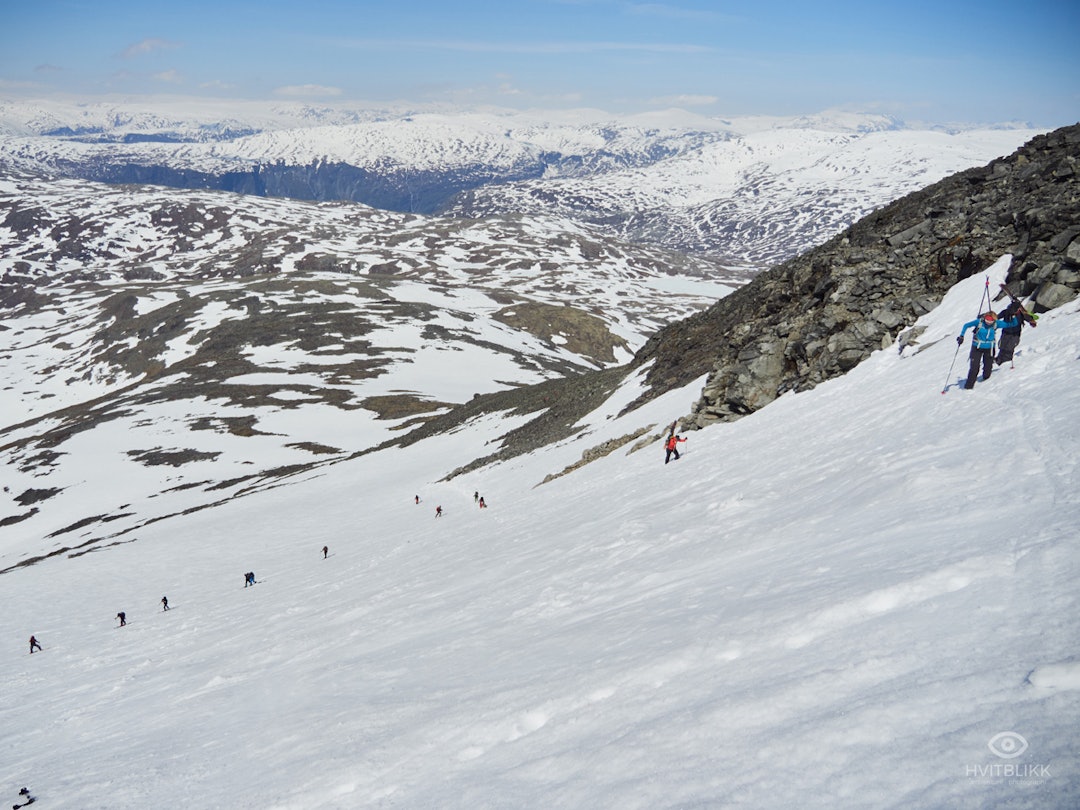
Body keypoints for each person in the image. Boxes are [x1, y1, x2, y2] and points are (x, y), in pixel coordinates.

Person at [957, 310, 1018, 389]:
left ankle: (986, 382)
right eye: (987, 319)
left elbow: (1013, 324)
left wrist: (1013, 315)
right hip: (977, 347)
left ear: (994, 320)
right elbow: (966, 325)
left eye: (991, 320)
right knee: (974, 368)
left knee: (988, 368)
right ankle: (968, 387)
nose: (989, 322)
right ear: (984, 318)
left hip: (989, 348)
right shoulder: (979, 322)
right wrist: (961, 336)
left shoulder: (997, 324)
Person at [995, 300, 1036, 366]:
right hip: (1006, 332)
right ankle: (999, 360)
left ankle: (1006, 362)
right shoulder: (1006, 312)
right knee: (1002, 345)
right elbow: (997, 317)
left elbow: (1028, 318)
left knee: (1009, 347)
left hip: (1015, 334)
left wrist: (1032, 322)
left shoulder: (1022, 313)